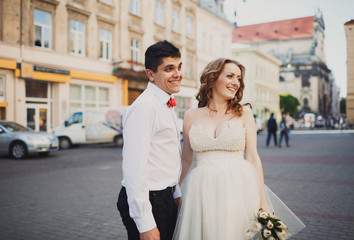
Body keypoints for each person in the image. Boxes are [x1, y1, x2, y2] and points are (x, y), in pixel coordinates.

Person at [173, 58, 304, 240]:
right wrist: (173, 189)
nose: (236, 82)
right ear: (212, 78)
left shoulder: (244, 113)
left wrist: (263, 202)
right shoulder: (191, 116)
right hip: (201, 190)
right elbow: (186, 159)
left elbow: (252, 157)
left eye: (239, 78)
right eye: (230, 76)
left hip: (237, 188)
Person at [117, 40, 182, 240]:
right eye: (169, 69)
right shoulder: (145, 107)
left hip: (165, 197)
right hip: (150, 202)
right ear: (150, 74)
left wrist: (176, 192)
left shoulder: (165, 103)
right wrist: (145, 223)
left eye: (179, 67)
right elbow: (134, 168)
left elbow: (167, 155)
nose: (177, 74)